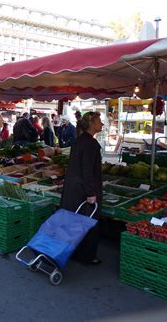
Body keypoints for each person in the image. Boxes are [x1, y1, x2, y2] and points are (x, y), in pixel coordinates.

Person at [60, 111, 104, 265]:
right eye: (99, 121)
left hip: (74, 189)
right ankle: (88, 256)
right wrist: (91, 192)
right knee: (88, 222)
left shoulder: (80, 140)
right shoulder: (90, 143)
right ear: (91, 124)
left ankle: (73, 252)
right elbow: (87, 170)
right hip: (82, 190)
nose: (102, 124)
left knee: (74, 221)